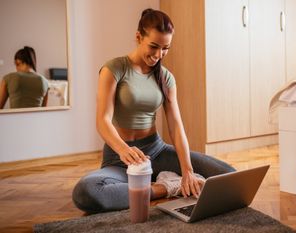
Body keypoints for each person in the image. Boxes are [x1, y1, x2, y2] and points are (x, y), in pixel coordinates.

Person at [72, 8, 235, 213]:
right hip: (120, 159)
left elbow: (175, 126)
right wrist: (124, 150)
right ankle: (165, 186)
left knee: (229, 175)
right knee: (86, 191)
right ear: (138, 37)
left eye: (165, 48)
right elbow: (102, 120)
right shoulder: (114, 69)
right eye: (154, 46)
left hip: (157, 152)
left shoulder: (166, 77)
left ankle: (162, 183)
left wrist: (188, 171)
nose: (159, 55)